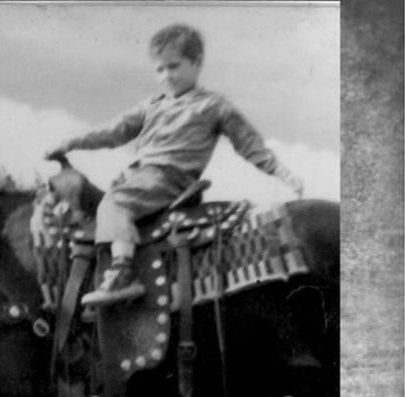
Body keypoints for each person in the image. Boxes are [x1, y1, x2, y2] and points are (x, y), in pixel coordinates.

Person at [46, 23, 304, 307]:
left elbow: (250, 145)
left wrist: (283, 174)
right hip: (139, 178)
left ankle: (123, 273)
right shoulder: (152, 105)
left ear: (196, 63)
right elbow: (114, 130)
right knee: (93, 215)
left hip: (171, 178)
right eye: (159, 70)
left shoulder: (213, 106)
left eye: (174, 66)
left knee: (114, 205)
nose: (166, 76)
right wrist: (71, 142)